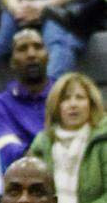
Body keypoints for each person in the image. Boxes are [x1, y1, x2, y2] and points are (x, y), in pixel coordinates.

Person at [0, 29, 54, 168]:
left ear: (48, 56)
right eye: (22, 49)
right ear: (12, 61)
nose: (31, 54)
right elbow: (6, 150)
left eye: (38, 47)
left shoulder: (67, 97)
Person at [29, 72, 107, 203]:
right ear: (56, 105)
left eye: (80, 98)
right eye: (65, 98)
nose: (73, 104)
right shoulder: (42, 142)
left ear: (91, 104)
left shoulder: (103, 139)